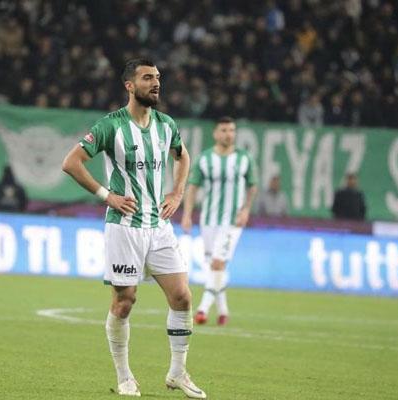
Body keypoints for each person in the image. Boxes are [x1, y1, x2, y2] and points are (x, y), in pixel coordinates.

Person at [61, 58, 206, 398]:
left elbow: (183, 156)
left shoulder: (166, 125)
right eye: (147, 78)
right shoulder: (111, 126)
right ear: (129, 85)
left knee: (182, 297)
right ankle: (125, 376)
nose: (156, 83)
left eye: (158, 77)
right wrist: (106, 195)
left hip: (159, 225)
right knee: (125, 301)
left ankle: (178, 372)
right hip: (124, 227)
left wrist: (177, 192)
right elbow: (71, 163)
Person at [181, 116, 258, 326]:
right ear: (215, 133)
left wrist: (246, 210)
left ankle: (202, 309)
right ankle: (223, 310)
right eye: (224, 130)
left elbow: (252, 185)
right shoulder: (205, 159)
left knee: (217, 262)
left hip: (232, 221)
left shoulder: (244, 158)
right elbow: (192, 187)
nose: (228, 134)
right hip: (208, 220)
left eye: (231, 130)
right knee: (214, 267)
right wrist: (187, 214)